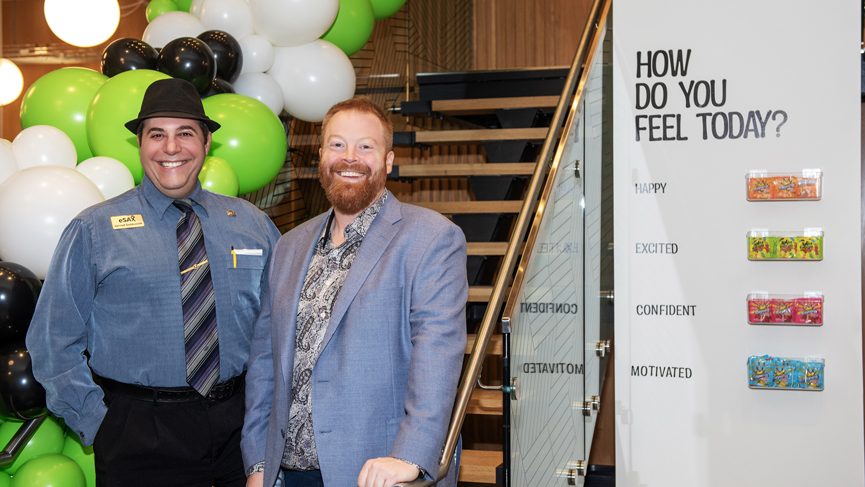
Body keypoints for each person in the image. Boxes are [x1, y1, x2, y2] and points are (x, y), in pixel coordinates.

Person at [26, 78, 281, 487]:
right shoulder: (94, 229)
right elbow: (52, 341)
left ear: (206, 143)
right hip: (138, 436)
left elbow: (280, 329)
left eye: (185, 133)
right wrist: (98, 423)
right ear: (140, 145)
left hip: (240, 431)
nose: (171, 147)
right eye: (156, 134)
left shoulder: (253, 225)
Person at [241, 97, 467, 487]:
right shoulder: (289, 245)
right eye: (337, 145)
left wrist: (408, 455)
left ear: (388, 161)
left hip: (378, 472)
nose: (350, 158)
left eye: (366, 146)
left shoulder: (431, 238)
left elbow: (438, 352)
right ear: (321, 156)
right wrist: (258, 462)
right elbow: (265, 361)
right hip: (287, 473)